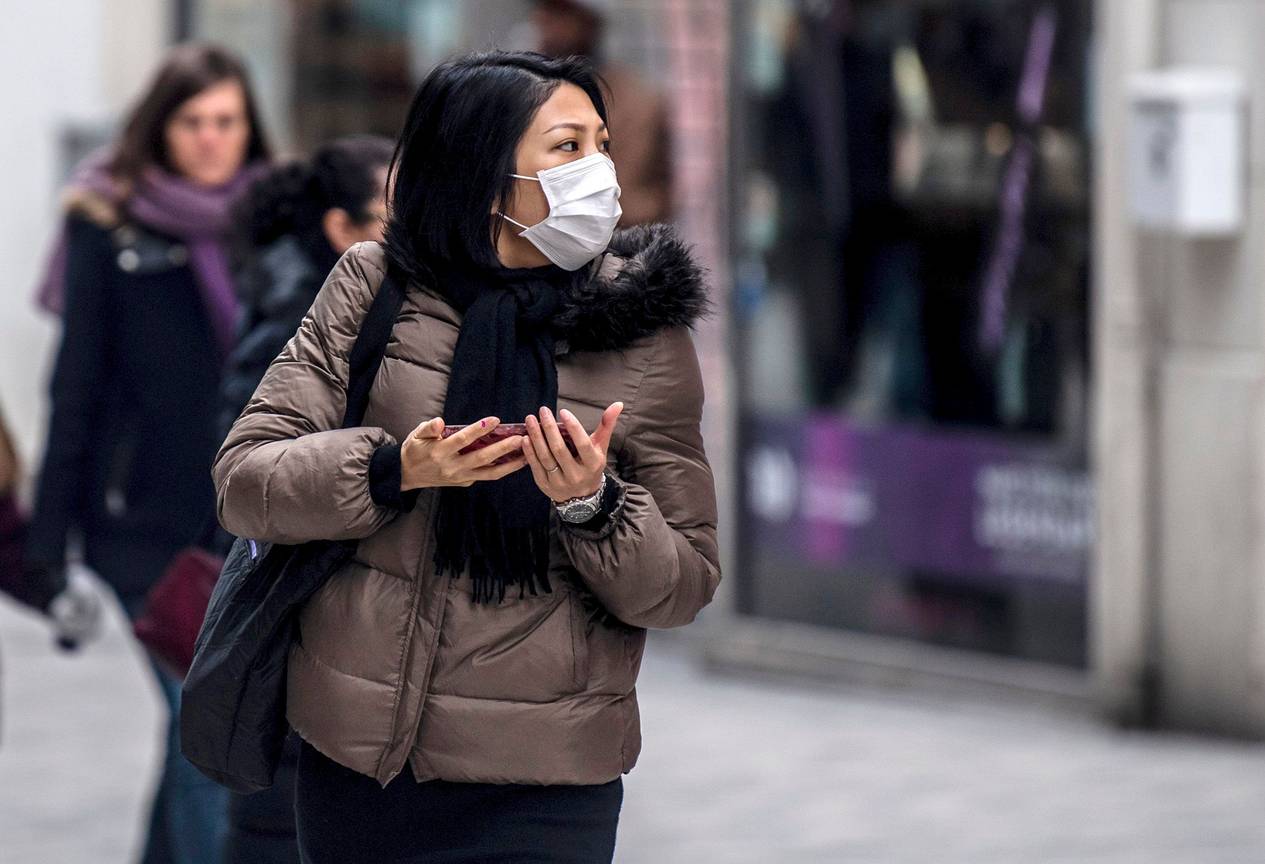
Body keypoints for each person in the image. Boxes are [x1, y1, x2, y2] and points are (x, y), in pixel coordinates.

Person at [213, 50, 718, 863]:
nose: (598, 171)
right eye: (566, 147)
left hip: (546, 780)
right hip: (366, 768)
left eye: (601, 144)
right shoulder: (374, 287)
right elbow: (244, 482)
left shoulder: (643, 331)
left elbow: (682, 587)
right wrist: (392, 471)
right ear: (484, 176)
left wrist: (594, 506)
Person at [25, 42, 272, 864]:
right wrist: (47, 548)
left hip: (248, 516)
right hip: (142, 523)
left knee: (194, 726)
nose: (211, 140)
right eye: (192, 122)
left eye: (227, 121)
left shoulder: (274, 221)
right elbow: (75, 387)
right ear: (160, 129)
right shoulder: (108, 226)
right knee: (203, 725)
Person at [216, 134, 394, 864]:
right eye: (391, 215)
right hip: (295, 614)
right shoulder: (306, 321)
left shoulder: (344, 307)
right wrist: (389, 470)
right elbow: (247, 476)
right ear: (341, 230)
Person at [532, 0, 673, 226]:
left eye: (561, 14)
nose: (547, 24)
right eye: (545, 12)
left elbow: (651, 197)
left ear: (589, 22)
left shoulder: (635, 102)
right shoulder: (524, 97)